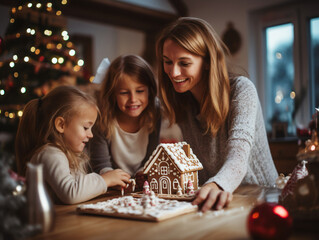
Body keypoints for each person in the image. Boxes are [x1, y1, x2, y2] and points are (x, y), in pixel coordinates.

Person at [155, 17, 278, 212]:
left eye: (184, 63)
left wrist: (216, 185)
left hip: (262, 199)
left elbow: (238, 157)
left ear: (206, 62)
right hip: (214, 202)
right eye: (167, 62)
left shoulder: (242, 90)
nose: (174, 72)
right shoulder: (182, 101)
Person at [15, 85, 130, 204]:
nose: (91, 135)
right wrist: (105, 180)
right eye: (86, 127)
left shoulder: (69, 154)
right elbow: (71, 194)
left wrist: (109, 182)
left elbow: (80, 191)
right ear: (61, 125)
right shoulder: (50, 154)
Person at [89, 54, 161, 188]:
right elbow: (100, 164)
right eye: (124, 93)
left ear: (150, 91)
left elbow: (152, 155)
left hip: (140, 186)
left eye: (140, 91)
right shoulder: (102, 115)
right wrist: (112, 177)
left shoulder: (154, 111)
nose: (133, 99)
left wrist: (143, 173)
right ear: (112, 94)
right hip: (106, 183)